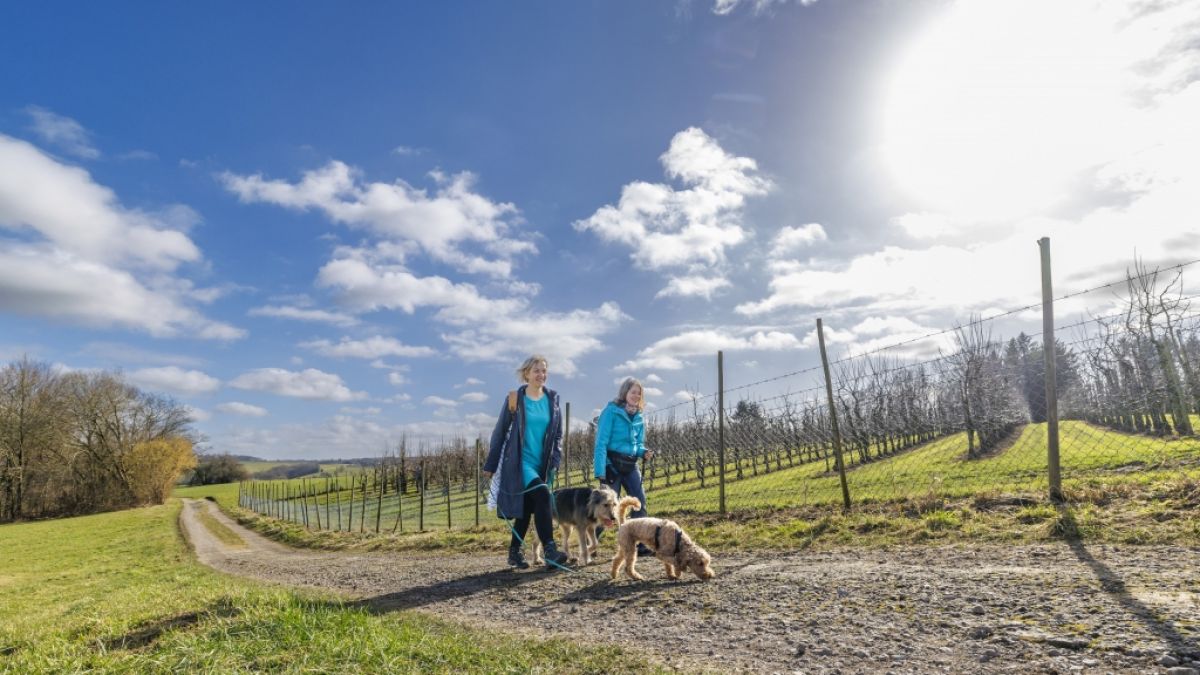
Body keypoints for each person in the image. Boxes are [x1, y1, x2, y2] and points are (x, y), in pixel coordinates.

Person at [482, 355, 570, 571]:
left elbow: (558, 434)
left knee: (528, 507)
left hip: (542, 463)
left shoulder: (553, 399)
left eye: (544, 370)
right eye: (537, 370)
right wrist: (491, 464)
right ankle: (550, 550)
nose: (541, 374)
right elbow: (500, 431)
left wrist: (555, 460)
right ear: (526, 374)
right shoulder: (515, 399)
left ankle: (514, 553)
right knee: (542, 495)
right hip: (520, 462)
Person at [593, 377, 654, 554]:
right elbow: (601, 442)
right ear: (625, 393)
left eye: (639, 393)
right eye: (633, 392)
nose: (636, 396)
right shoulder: (611, 412)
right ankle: (590, 543)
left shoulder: (639, 417)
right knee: (606, 506)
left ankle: (640, 544)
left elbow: (637, 444)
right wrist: (601, 471)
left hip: (630, 465)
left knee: (639, 502)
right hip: (611, 464)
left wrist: (644, 452)